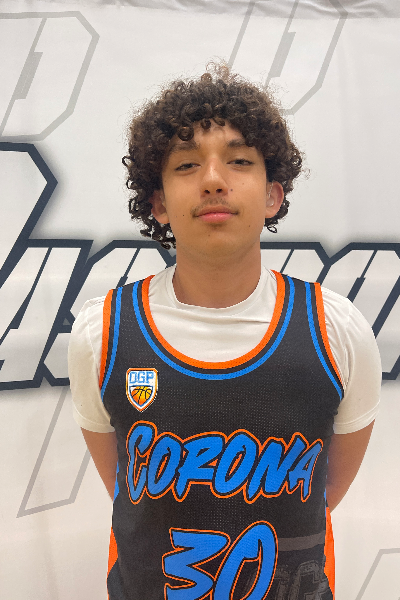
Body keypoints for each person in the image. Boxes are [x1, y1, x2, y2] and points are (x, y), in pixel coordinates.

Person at [68, 63, 381, 600]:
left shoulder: (337, 330)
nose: (214, 179)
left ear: (273, 195)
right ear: (158, 204)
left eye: (239, 161)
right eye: (187, 164)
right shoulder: (102, 332)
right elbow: (126, 489)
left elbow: (323, 494)